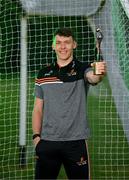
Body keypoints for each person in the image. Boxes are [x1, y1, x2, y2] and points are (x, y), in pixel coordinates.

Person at [32, 27, 106, 179]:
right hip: (47, 142)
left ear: (74, 45)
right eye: (58, 43)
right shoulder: (43, 74)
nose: (62, 46)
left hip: (75, 142)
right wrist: (36, 137)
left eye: (67, 42)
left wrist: (99, 72)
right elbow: (38, 109)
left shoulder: (82, 69)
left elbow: (94, 78)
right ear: (53, 46)